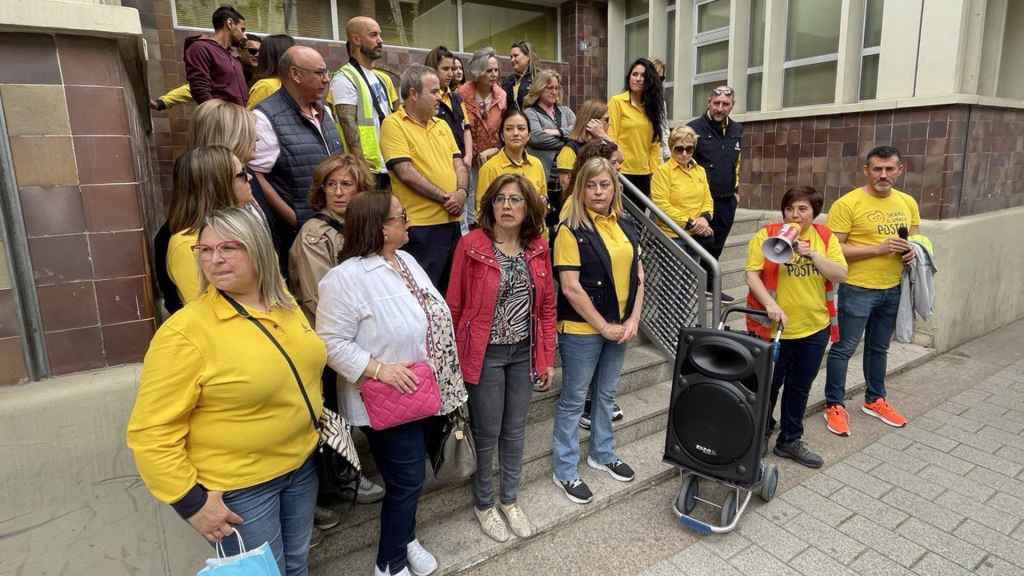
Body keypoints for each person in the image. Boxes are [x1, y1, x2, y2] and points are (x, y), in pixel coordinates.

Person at [127, 207, 324, 576]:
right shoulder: (185, 333)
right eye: (204, 250)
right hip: (241, 489)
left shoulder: (283, 303)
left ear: (259, 249)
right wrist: (191, 503)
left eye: (229, 247)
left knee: (297, 565)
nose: (214, 259)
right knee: (264, 572)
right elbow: (151, 433)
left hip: (301, 467)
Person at [317, 192, 466, 576]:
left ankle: (406, 537)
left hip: (426, 390)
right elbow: (329, 343)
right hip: (385, 396)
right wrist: (378, 369)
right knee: (407, 479)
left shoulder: (408, 261)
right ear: (381, 228)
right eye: (402, 216)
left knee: (412, 479)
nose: (409, 221)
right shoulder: (345, 279)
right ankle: (389, 562)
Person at [447, 173, 556, 542]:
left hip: (523, 352)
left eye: (516, 200)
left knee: (515, 430)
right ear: (490, 205)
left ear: (528, 208)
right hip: (486, 353)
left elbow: (546, 308)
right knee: (488, 431)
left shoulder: (538, 246)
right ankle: (484, 503)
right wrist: (455, 361)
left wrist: (546, 358)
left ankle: (509, 500)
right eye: (500, 199)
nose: (507, 206)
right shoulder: (471, 245)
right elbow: (455, 305)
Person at [286, 153, 385, 538]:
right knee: (330, 413)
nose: (340, 192)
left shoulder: (356, 226)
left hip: (360, 335)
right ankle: (343, 479)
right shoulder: (316, 234)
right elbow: (319, 299)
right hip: (328, 340)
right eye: (332, 184)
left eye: (348, 184)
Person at [551, 157, 645, 505]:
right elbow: (571, 287)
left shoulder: (626, 223)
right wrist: (603, 326)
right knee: (574, 400)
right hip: (582, 330)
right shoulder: (568, 229)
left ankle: (602, 453)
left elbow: (639, 275)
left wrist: (633, 319)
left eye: (604, 184)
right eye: (590, 185)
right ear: (580, 189)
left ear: (614, 187)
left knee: (605, 395)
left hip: (619, 326)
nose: (598, 191)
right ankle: (565, 470)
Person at [745, 186, 848, 468]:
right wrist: (769, 304)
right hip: (772, 329)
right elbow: (752, 274)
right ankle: (760, 432)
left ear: (814, 212)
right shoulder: (766, 234)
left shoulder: (824, 237)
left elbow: (841, 274)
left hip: (814, 328)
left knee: (799, 387)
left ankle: (790, 439)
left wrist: (813, 254)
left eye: (803, 209)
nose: (795, 214)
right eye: (790, 208)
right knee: (767, 386)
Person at [823, 146, 919, 437]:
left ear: (899, 170)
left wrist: (912, 252)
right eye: (877, 169)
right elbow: (834, 249)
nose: (883, 175)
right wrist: (876, 249)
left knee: (879, 348)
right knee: (844, 348)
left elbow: (915, 240)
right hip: (857, 288)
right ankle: (834, 405)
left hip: (893, 288)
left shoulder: (908, 202)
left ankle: (875, 399)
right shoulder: (848, 203)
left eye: (889, 169)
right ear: (866, 170)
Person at [251, 46, 343, 274]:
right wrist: (293, 217)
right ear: (295, 74)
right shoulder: (264, 118)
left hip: (333, 229)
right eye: (319, 73)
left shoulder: (325, 112)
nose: (326, 79)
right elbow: (255, 175)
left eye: (326, 73)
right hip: (297, 237)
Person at [381, 64, 469, 293]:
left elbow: (458, 162)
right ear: (413, 94)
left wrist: (461, 193)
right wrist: (446, 198)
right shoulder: (394, 124)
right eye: (434, 91)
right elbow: (405, 172)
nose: (440, 97)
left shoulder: (442, 125)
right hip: (421, 227)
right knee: (424, 295)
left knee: (453, 293)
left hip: (452, 223)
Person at [159, 145, 254, 310]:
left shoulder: (243, 226)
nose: (250, 177)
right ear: (219, 185)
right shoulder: (187, 245)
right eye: (242, 174)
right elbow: (208, 312)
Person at [331, 16, 399, 191]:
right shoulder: (344, 78)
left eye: (380, 35)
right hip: (368, 170)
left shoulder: (381, 78)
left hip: (389, 163)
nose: (380, 40)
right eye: (374, 35)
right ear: (356, 39)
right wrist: (361, 171)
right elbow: (348, 124)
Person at [688, 85, 744, 292]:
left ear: (732, 106)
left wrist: (736, 192)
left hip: (727, 198)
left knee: (718, 243)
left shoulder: (737, 130)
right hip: (702, 201)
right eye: (716, 103)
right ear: (709, 102)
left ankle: (710, 287)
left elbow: (736, 162)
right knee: (703, 243)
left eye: (725, 104)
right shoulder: (693, 129)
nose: (720, 108)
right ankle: (693, 286)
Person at [650, 125, 714, 271]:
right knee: (673, 288)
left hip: (696, 235)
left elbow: (707, 200)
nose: (684, 154)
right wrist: (691, 223)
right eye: (679, 149)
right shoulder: (662, 172)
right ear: (671, 148)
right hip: (672, 236)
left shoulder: (700, 171)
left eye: (689, 149)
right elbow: (661, 205)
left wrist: (704, 219)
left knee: (691, 281)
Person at [458, 48, 507, 230]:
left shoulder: (502, 96)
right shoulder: (462, 93)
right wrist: (472, 153)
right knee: (470, 196)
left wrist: (495, 149)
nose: (494, 74)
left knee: (492, 194)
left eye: (496, 70)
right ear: (478, 71)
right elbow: (462, 127)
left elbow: (503, 129)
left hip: (493, 156)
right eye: (489, 70)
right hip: (469, 157)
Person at [149, 34, 259, 111]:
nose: (257, 55)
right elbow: (193, 88)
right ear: (240, 51)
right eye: (253, 51)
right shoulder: (229, 68)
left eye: (261, 52)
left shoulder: (264, 74)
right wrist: (162, 102)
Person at [608, 58, 664, 198]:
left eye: (643, 75)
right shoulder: (617, 102)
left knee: (639, 219)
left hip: (645, 174)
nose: (638, 79)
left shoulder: (653, 107)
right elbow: (611, 137)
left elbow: (654, 146)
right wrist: (613, 168)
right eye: (635, 74)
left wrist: (655, 175)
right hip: (622, 171)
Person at [475, 110, 547, 218]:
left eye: (521, 128)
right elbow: (482, 211)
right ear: (502, 136)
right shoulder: (489, 168)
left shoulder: (537, 164)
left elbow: (544, 202)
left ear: (528, 136)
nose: (516, 133)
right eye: (509, 129)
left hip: (535, 231)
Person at [523, 69, 575, 214]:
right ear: (539, 89)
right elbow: (536, 137)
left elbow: (578, 132)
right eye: (549, 88)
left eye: (556, 88)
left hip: (567, 177)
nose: (554, 92)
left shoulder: (566, 111)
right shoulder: (530, 113)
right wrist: (569, 142)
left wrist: (558, 132)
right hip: (544, 178)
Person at [183, 5, 249, 106]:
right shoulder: (201, 48)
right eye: (242, 29)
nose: (244, 36)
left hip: (240, 118)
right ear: (230, 23)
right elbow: (200, 90)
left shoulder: (233, 55)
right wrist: (217, 117)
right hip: (220, 118)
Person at [424, 46, 473, 162]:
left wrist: (468, 156)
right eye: (445, 69)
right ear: (432, 69)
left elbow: (466, 128)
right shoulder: (426, 100)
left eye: (452, 68)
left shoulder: (456, 98)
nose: (451, 73)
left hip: (462, 161)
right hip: (439, 162)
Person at [555, 99, 609, 193]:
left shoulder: (602, 144)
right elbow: (566, 186)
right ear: (592, 122)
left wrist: (603, 136)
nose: (609, 124)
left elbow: (620, 157)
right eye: (606, 120)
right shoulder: (570, 149)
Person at [247, 34, 295, 109]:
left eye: (260, 51)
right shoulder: (293, 85)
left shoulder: (265, 86)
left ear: (265, 56)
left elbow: (250, 118)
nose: (257, 55)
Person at [502, 40, 536, 112]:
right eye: (511, 57)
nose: (512, 60)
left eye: (516, 56)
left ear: (528, 57)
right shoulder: (507, 81)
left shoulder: (537, 79)